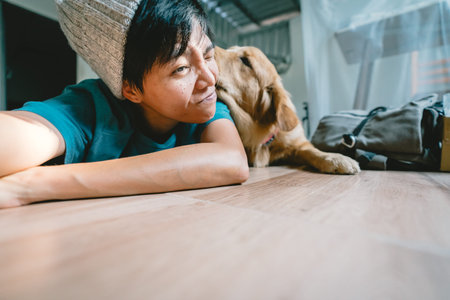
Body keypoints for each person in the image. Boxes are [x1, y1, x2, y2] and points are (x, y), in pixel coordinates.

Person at [0, 0, 249, 209]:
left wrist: (35, 184)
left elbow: (231, 160)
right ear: (130, 89)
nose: (209, 79)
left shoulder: (204, 105)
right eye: (181, 69)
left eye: (208, 55)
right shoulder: (89, 108)